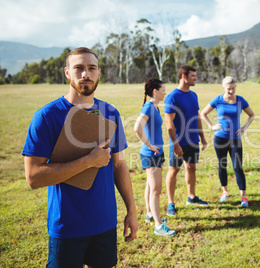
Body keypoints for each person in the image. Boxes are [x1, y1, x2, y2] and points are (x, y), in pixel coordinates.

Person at [22, 47, 138, 267]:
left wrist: (131, 210)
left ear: (99, 73)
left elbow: (119, 165)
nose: (86, 74)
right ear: (67, 73)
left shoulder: (110, 112)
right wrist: (87, 162)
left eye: (91, 68)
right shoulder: (47, 116)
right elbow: (34, 177)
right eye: (79, 68)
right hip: (67, 227)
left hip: (104, 224)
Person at [200, 76, 255, 207]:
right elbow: (203, 113)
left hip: (235, 139)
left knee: (238, 166)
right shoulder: (218, 100)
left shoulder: (240, 100)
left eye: (233, 88)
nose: (231, 91)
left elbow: (251, 114)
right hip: (220, 138)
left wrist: (244, 127)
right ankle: (225, 192)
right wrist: (211, 126)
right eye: (229, 89)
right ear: (223, 87)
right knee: (222, 164)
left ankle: (244, 197)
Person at [164, 65, 208, 216]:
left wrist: (202, 137)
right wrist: (175, 144)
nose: (196, 78)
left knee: (192, 167)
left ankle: (192, 197)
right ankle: (171, 203)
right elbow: (169, 123)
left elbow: (196, 117)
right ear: (184, 77)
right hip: (178, 142)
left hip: (193, 140)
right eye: (193, 76)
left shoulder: (193, 95)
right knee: (174, 170)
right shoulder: (172, 97)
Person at [134, 79, 176, 236]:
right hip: (151, 153)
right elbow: (137, 127)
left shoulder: (154, 107)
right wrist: (150, 145)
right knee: (156, 190)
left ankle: (150, 214)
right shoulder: (148, 107)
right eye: (163, 89)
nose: (165, 92)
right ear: (155, 92)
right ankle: (158, 226)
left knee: (150, 186)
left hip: (156, 152)